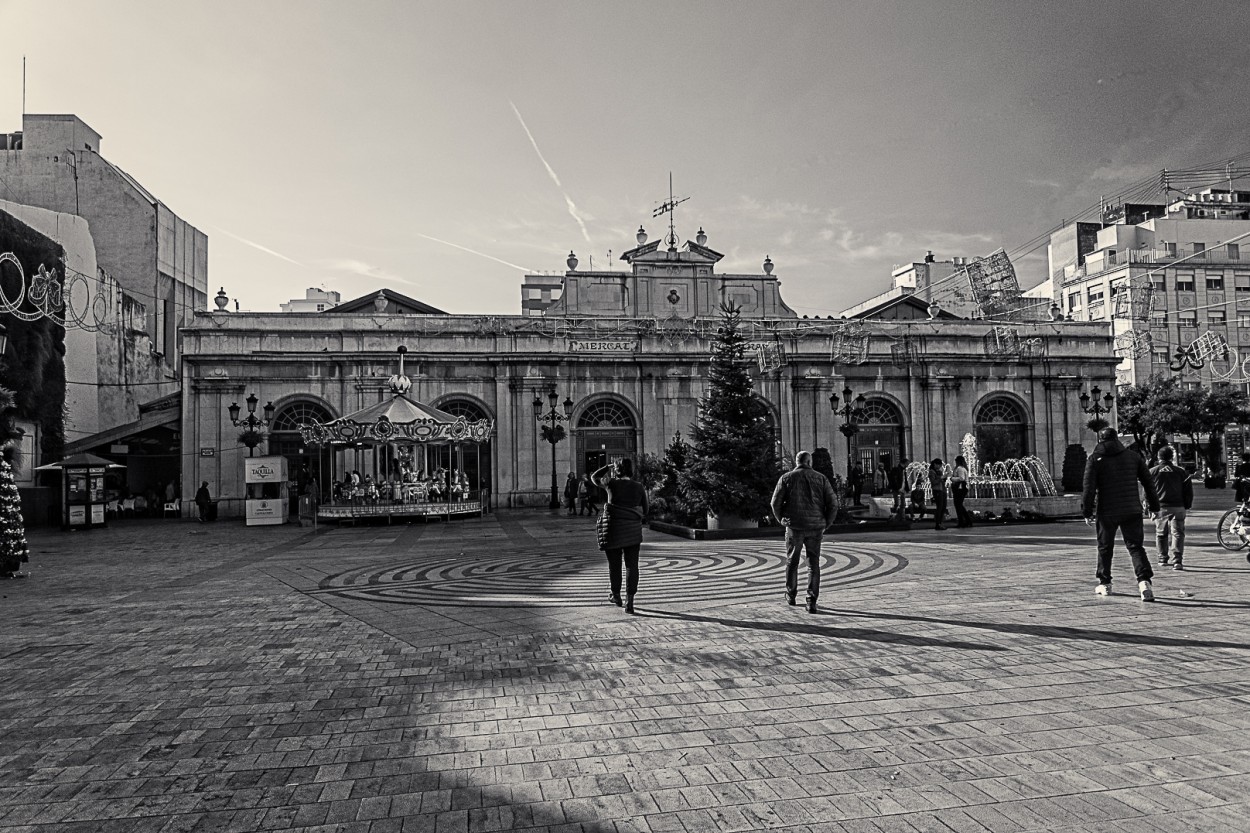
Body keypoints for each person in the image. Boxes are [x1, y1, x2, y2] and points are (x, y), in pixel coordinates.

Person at [1083, 426, 1160, 600]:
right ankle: (1144, 582)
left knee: (1105, 547)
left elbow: (1088, 488)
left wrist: (1087, 511)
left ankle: (1105, 583)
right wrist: (1154, 507)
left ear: (1100, 439)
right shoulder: (1133, 457)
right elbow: (1149, 483)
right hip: (1131, 509)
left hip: (1107, 511)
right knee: (1135, 547)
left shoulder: (1095, 459)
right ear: (1116, 438)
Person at [770, 450, 838, 614]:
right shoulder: (821, 478)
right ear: (809, 462)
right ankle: (811, 600)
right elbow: (833, 504)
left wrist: (782, 520)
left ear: (797, 462)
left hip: (795, 527)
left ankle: (791, 594)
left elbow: (775, 503)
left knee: (792, 561)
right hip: (815, 527)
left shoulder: (786, 478)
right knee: (813, 564)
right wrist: (826, 523)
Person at [592, 459, 648, 614]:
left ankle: (616, 595)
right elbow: (646, 509)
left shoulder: (611, 484)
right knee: (632, 565)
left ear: (616, 470)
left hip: (613, 530)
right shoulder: (638, 487)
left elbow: (594, 478)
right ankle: (630, 601)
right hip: (632, 531)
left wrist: (606, 466)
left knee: (614, 565)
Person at [1150, 446, 1193, 571]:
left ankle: (1162, 558)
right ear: (1172, 457)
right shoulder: (1181, 472)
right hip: (1178, 506)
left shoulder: (1152, 472)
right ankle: (1177, 560)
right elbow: (1188, 492)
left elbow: (1148, 491)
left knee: (1161, 533)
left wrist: (1149, 505)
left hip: (1160, 507)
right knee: (1178, 533)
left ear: (1158, 457)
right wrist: (1187, 505)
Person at [950, 455, 973, 528]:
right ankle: (967, 521)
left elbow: (961, 478)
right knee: (959, 505)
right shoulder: (964, 468)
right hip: (962, 488)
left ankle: (962, 522)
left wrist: (952, 479)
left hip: (959, 488)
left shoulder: (959, 468)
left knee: (958, 505)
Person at [928, 459, 948, 530]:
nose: (940, 466)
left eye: (940, 465)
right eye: (939, 465)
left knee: (943, 507)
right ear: (935, 464)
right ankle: (938, 523)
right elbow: (933, 482)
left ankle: (941, 522)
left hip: (942, 490)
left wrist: (944, 478)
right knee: (939, 507)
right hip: (937, 491)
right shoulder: (931, 471)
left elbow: (941, 481)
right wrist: (941, 478)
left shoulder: (939, 471)